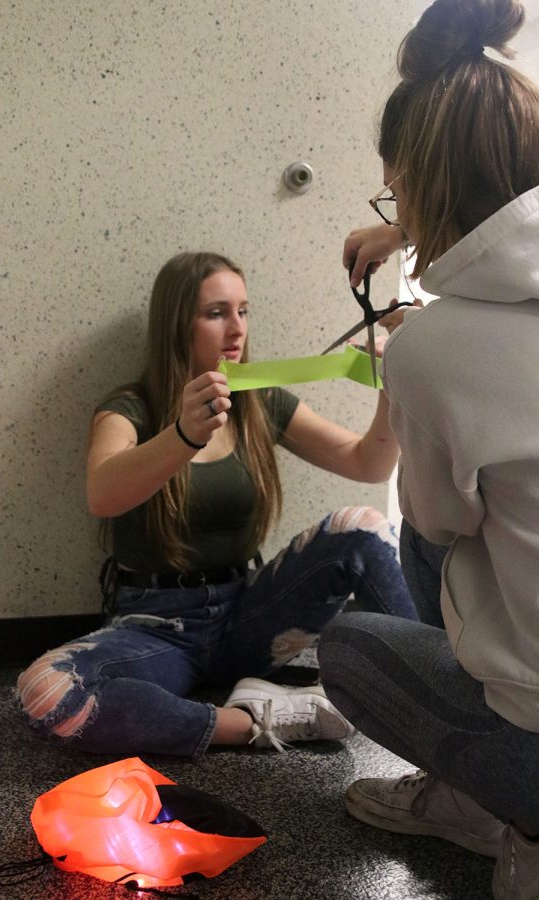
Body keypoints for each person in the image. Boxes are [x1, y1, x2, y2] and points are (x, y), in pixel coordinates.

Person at [17, 250, 417, 758]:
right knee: (47, 690)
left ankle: (433, 694)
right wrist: (183, 434)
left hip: (249, 615)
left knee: (363, 527)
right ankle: (253, 719)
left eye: (243, 311)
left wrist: (394, 385)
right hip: (158, 628)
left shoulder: (260, 402)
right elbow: (103, 494)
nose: (236, 329)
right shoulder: (130, 408)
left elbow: (368, 465)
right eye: (216, 313)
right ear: (175, 325)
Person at [317, 1, 539, 896]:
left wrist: (415, 376)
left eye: (395, 192)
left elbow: (437, 525)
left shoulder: (432, 350)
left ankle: (492, 806)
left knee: (353, 642)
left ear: (421, 187)